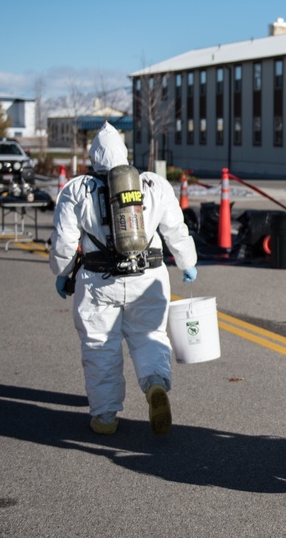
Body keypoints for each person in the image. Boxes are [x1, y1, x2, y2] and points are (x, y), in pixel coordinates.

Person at [49, 121, 198, 436]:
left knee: (100, 344)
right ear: (125, 153)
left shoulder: (76, 189)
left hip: (98, 279)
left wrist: (62, 273)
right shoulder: (154, 184)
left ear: (94, 156)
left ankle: (105, 417)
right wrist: (188, 262)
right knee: (150, 335)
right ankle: (155, 384)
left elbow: (63, 243)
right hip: (149, 275)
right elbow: (176, 229)